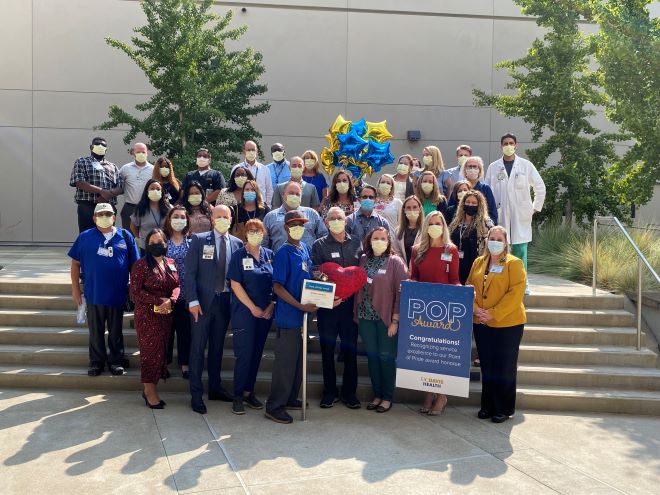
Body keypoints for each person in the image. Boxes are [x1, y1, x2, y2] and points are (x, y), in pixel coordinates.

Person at [185, 205, 244, 414]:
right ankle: (196, 394)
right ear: (211, 218)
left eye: (225, 216)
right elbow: (189, 273)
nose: (222, 219)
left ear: (231, 218)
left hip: (225, 302)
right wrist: (192, 301)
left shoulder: (237, 244)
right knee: (198, 349)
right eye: (218, 216)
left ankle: (215, 388)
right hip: (202, 304)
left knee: (217, 348)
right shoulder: (199, 240)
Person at [68, 203, 139, 376]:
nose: (104, 217)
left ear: (114, 217)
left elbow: (135, 265)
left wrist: (133, 287)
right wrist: (75, 289)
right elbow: (75, 264)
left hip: (117, 294)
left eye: (108, 214)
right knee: (95, 331)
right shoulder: (84, 237)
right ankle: (96, 362)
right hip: (94, 293)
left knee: (115, 331)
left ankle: (115, 361)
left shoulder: (125, 236)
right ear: (94, 218)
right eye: (100, 214)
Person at [466, 226, 527, 423]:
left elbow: (515, 294)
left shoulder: (513, 263)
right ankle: (488, 406)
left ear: (506, 242)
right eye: (492, 238)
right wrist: (476, 309)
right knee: (487, 365)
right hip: (481, 322)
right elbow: (469, 288)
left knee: (504, 366)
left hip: (507, 324)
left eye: (499, 239)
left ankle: (504, 408)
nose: (495, 242)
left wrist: (493, 313)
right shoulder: (478, 262)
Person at [265, 211, 318, 424]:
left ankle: (289, 398)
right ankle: (274, 406)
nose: (299, 228)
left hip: (303, 316)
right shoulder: (283, 253)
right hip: (289, 316)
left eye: (301, 224)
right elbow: (277, 287)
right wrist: (299, 305)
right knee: (285, 364)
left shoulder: (304, 248)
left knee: (297, 362)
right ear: (286, 227)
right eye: (294, 224)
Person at [409, 211, 460, 415]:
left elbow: (455, 279)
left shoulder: (451, 250)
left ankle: (441, 396)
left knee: (441, 356)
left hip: (443, 310)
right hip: (423, 310)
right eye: (431, 223)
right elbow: (414, 276)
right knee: (426, 356)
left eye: (438, 223)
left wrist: (462, 290)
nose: (435, 227)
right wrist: (410, 283)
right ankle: (428, 394)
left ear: (444, 226)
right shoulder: (416, 250)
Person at [312, 207, 362, 409]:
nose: (335, 221)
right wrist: (328, 282)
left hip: (351, 306)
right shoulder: (319, 245)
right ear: (325, 223)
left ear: (346, 221)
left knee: (350, 348)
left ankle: (349, 393)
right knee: (327, 349)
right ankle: (329, 392)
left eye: (339, 218)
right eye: (331, 218)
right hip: (328, 305)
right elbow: (314, 271)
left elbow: (362, 269)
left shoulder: (357, 242)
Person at [484, 133, 546, 294]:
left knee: (520, 251)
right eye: (505, 143)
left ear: (516, 145)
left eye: (511, 143)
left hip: (521, 217)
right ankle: (500, 284)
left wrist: (534, 208)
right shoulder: (493, 167)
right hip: (500, 215)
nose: (508, 146)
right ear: (501, 146)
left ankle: (523, 285)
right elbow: (487, 193)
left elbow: (540, 187)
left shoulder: (526, 165)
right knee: (499, 250)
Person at [355, 226, 408, 413]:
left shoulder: (395, 262)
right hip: (365, 317)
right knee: (372, 357)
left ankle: (387, 397)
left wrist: (395, 320)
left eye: (382, 238)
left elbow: (402, 292)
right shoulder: (363, 259)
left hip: (386, 319)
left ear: (388, 241)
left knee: (386, 357)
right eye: (375, 238)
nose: (379, 241)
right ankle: (377, 395)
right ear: (369, 241)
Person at [227, 219, 274, 415]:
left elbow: (276, 284)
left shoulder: (269, 255)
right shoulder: (239, 255)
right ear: (245, 234)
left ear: (264, 233)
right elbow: (235, 285)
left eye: (258, 231)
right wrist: (252, 307)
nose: (255, 234)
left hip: (265, 313)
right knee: (244, 355)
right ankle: (238, 395)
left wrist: (271, 306)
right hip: (245, 313)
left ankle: (249, 392)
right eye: (251, 231)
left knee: (256, 354)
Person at [130, 228, 180, 408]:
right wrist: (159, 301)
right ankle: (149, 392)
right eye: (152, 243)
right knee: (150, 354)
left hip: (165, 316)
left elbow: (177, 285)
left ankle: (152, 387)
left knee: (161, 354)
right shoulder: (141, 265)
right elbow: (135, 291)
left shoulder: (171, 263)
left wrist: (171, 300)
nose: (157, 245)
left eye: (160, 242)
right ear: (147, 245)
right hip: (147, 316)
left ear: (166, 244)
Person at [70, 137, 123, 232]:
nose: (100, 146)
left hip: (108, 206)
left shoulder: (113, 166)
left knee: (107, 234)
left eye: (103, 145)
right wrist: (102, 191)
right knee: (87, 235)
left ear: (106, 149)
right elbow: (79, 182)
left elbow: (121, 187)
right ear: (91, 147)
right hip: (88, 206)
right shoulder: (82, 161)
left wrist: (107, 195)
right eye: (97, 144)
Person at [164, 206, 192, 378]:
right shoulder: (162, 241)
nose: (179, 220)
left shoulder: (192, 242)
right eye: (176, 216)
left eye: (182, 217)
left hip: (185, 295)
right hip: (166, 295)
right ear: (169, 219)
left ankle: (185, 364)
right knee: (166, 331)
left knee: (185, 332)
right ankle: (164, 363)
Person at [263, 181, 327, 252]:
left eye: (297, 194)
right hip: (280, 257)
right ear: (283, 194)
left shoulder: (312, 214)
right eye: (291, 193)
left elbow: (323, 236)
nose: (294, 196)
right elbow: (263, 242)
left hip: (308, 257)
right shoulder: (270, 217)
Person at [449, 190, 494, 285]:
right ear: (463, 203)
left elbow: (491, 243)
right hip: (455, 265)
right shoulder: (456, 221)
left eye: (474, 203)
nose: (470, 205)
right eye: (468, 202)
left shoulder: (486, 223)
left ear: (479, 205)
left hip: (474, 266)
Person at [448, 156, 498, 225]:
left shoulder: (485, 189)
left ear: (479, 170)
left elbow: (492, 213)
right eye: (469, 167)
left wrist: (487, 226)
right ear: (465, 170)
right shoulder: (459, 187)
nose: (472, 169)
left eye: (475, 167)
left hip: (480, 226)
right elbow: (450, 209)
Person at [130, 179, 172, 252]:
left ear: (161, 192)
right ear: (147, 191)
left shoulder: (169, 208)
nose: (155, 191)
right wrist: (142, 238)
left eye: (158, 189)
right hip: (146, 247)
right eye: (152, 189)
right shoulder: (140, 208)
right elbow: (133, 227)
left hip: (164, 246)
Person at [119, 142, 154, 229]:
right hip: (130, 208)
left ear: (147, 153)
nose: (141, 154)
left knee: (148, 234)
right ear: (133, 153)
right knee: (128, 235)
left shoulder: (153, 169)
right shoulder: (125, 168)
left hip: (148, 208)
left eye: (143, 152)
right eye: (138, 152)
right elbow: (118, 186)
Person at [233, 140, 273, 207]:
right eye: (248, 150)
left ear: (257, 151)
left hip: (261, 206)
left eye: (253, 150)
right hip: (242, 207)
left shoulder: (265, 169)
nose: (251, 152)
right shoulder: (237, 169)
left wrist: (268, 206)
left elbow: (269, 190)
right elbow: (233, 187)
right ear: (244, 151)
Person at [391, 195, 423, 267]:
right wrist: (405, 268)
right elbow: (397, 253)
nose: (412, 210)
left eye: (415, 207)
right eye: (408, 208)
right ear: (404, 210)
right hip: (403, 269)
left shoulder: (426, 229)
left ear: (420, 209)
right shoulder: (398, 231)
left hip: (421, 269)